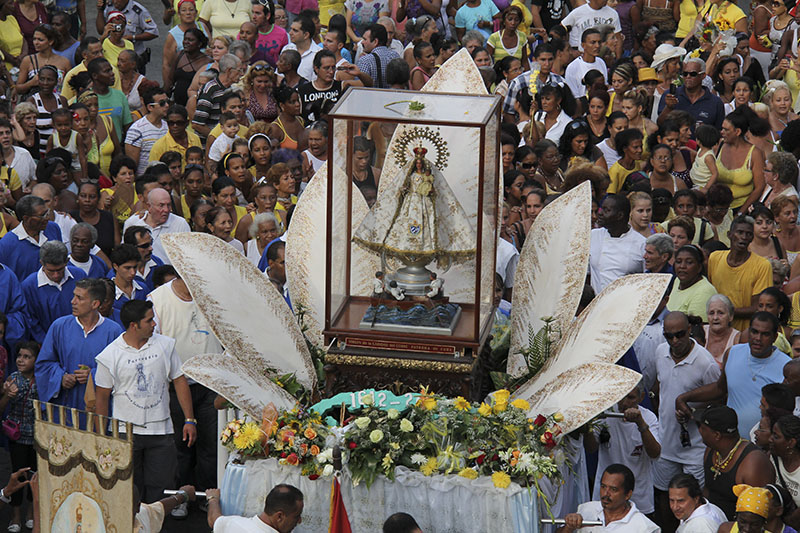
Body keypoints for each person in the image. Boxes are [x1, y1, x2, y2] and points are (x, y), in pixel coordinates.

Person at [95, 299, 196, 504]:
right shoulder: (109, 356)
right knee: (128, 492)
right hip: (125, 434)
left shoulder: (166, 345)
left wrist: (190, 420)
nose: (154, 324)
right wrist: (101, 436)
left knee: (161, 491)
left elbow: (179, 380)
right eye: (149, 321)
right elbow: (102, 398)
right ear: (134, 325)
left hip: (161, 432)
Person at [148, 273, 222, 519]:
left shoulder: (213, 294)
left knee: (210, 444)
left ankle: (206, 496)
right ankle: (179, 496)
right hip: (175, 385)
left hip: (210, 383)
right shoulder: (158, 299)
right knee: (180, 445)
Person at [651, 311, 720, 526]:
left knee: (695, 503)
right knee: (664, 497)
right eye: (669, 336)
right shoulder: (661, 352)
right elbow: (660, 387)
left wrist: (693, 414)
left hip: (695, 448)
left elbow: (718, 401)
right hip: (666, 444)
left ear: (690, 330)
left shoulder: (705, 362)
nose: (674, 341)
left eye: (680, 334)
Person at [677, 312, 792, 439]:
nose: (758, 338)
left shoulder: (786, 366)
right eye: (754, 332)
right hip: (730, 443)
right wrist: (685, 397)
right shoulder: (733, 353)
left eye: (765, 334)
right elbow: (720, 388)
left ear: (775, 337)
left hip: (765, 448)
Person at [35, 278, 123, 413]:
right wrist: (60, 378)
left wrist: (93, 376)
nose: (73, 301)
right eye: (74, 296)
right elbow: (43, 364)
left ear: (95, 304)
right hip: (65, 407)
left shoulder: (113, 331)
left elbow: (122, 370)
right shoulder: (59, 326)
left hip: (98, 410)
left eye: (79, 298)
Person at [584, 384, 661, 515]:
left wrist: (641, 424)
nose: (624, 402)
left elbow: (655, 453)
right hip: (606, 495)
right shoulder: (605, 414)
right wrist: (587, 426)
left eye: (630, 397)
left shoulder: (649, 417)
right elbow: (591, 448)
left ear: (641, 397)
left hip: (639, 497)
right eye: (621, 396)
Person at [695, 405, 774, 519]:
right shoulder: (711, 450)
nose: (699, 431)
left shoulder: (753, 463)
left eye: (702, 427)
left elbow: (758, 515)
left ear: (717, 435)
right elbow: (708, 490)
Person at [708, 216, 772, 332]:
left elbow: (758, 307)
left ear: (752, 238)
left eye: (748, 234)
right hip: (715, 329)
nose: (743, 237)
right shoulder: (714, 258)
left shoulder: (762, 265)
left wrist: (724, 312)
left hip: (745, 332)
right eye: (740, 232)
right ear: (729, 235)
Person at [0, 341, 38, 533]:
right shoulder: (13, 379)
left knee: (34, 477)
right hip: (17, 437)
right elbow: (2, 406)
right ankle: (15, 516)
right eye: (19, 356)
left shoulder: (42, 379)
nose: (21, 360)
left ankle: (30, 513)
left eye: (27, 357)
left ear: (36, 360)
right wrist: (7, 394)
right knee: (16, 474)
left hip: (37, 437)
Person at [557, 464, 659, 532]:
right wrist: (569, 527)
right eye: (603, 486)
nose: (606, 493)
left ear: (628, 494)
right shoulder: (586, 510)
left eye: (613, 489)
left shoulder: (645, 528)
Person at [21, 241, 86, 343]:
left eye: (60, 270)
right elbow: (31, 321)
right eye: (51, 271)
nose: (56, 275)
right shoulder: (29, 286)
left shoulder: (79, 276)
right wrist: (47, 344)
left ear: (67, 261)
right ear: (42, 263)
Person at [589, 193, 646, 294]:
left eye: (606, 210)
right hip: (596, 303)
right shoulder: (593, 236)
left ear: (620, 215)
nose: (600, 213)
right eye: (602, 209)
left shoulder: (641, 244)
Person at [0, 195, 60, 282]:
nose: (47, 218)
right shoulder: (6, 244)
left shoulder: (53, 228)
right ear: (26, 218)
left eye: (47, 213)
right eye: (42, 216)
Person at [123, 188, 191, 264]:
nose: (166, 210)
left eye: (168, 205)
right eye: (161, 205)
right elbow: (126, 253)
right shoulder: (133, 222)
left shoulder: (180, 224)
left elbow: (187, 258)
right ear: (149, 206)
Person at [658, 57, 725, 130]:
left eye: (693, 74)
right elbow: (660, 124)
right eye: (685, 74)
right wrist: (668, 107)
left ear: (703, 76)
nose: (688, 77)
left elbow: (719, 132)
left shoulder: (715, 102)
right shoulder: (670, 95)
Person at [207, 483, 304, 532]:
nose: (299, 520)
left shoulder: (234, 523)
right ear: (279, 516)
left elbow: (213, 519)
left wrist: (213, 499)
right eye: (296, 516)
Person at [97, 0, 158, 72]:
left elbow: (153, 32)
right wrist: (100, 10)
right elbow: (101, 31)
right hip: (110, 55)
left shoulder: (139, 11)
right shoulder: (109, 7)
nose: (114, 2)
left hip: (135, 57)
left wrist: (132, 37)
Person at [192, 54, 244, 139]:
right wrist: (217, 139)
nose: (241, 74)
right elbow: (197, 124)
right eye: (239, 70)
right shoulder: (210, 89)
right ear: (229, 71)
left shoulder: (231, 90)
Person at [124, 87, 169, 176]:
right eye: (162, 103)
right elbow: (132, 165)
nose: (167, 105)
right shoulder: (137, 130)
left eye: (167, 101)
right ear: (150, 107)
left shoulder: (168, 127)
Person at [87, 57, 132, 143]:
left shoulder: (120, 96)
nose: (112, 74)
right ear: (95, 76)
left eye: (111, 70)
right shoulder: (86, 98)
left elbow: (128, 127)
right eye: (107, 71)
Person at [668, 245, 717, 322]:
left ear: (699, 267)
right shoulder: (677, 280)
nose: (682, 266)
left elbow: (697, 329)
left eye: (689, 262)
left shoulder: (705, 291)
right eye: (678, 262)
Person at [564, 28, 607, 101]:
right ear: (583, 45)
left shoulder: (601, 63)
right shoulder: (573, 67)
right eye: (593, 42)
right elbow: (573, 95)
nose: (597, 46)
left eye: (599, 42)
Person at [355, 23, 400, 89]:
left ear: (375, 42)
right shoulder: (395, 56)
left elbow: (358, 87)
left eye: (365, 39)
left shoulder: (365, 61)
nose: (362, 42)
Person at [282, 16, 321, 82]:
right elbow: (279, 75)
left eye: (295, 31)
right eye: (291, 29)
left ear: (306, 35)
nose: (290, 33)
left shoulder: (318, 54)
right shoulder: (287, 48)